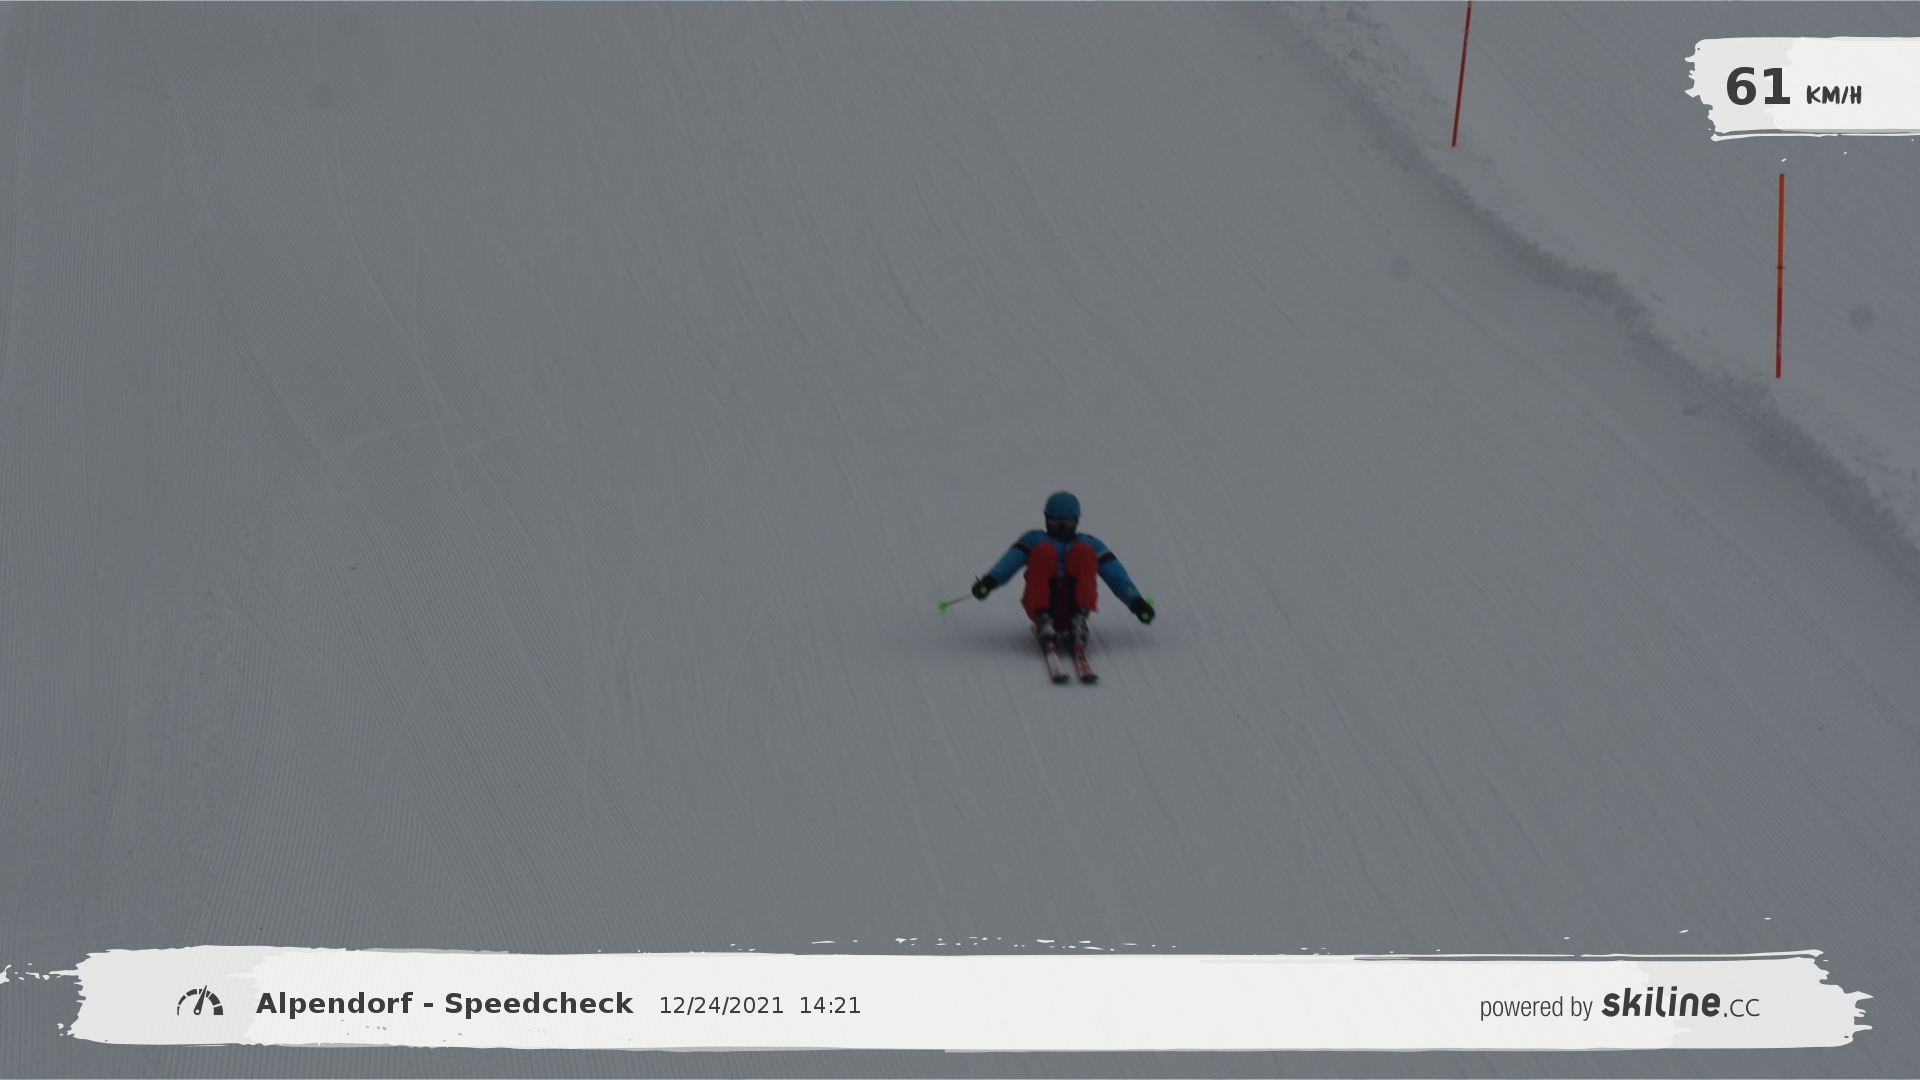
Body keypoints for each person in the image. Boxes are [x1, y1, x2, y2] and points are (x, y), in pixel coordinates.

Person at [970, 492, 1154, 652]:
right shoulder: (1033, 539)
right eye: (1055, 522)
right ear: (1046, 519)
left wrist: (1136, 602)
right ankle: (1045, 621)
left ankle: (1078, 621)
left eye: (1067, 523)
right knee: (1043, 550)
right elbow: (1008, 564)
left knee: (1083, 551)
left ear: (1076, 521)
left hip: (1073, 605)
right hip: (1039, 604)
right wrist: (988, 582)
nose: (1061, 528)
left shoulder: (1090, 543)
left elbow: (1116, 575)